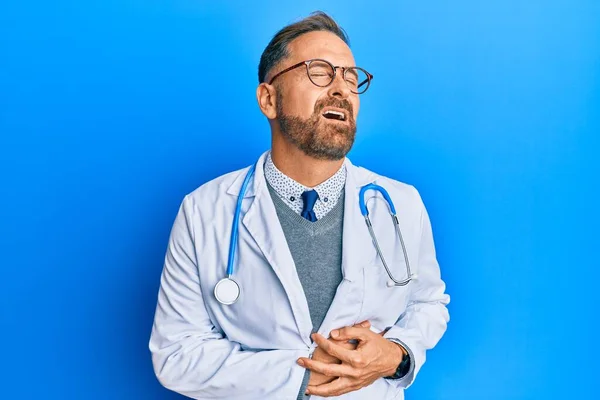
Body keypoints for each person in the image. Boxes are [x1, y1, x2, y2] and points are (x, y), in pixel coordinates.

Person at [149, 11, 450, 399]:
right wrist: (300, 376)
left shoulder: (401, 204)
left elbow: (429, 303)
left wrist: (398, 355)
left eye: (349, 76)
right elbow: (176, 352)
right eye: (319, 71)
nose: (341, 88)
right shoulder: (204, 211)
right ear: (268, 99)